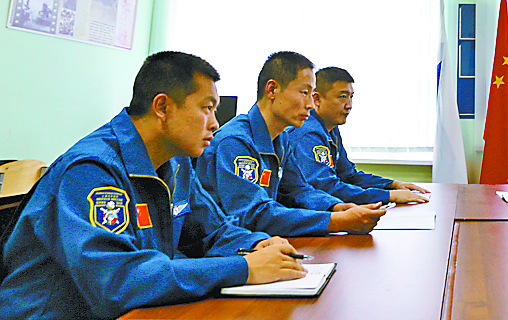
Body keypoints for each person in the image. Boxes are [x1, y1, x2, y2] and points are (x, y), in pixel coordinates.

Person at [0, 51, 307, 320]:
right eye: (207, 108)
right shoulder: (92, 170)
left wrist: (257, 244)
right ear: (163, 107)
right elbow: (117, 281)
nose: (215, 123)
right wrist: (245, 268)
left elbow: (212, 231)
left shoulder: (176, 161)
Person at [197, 51, 386, 236]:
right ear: (272, 90)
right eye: (304, 93)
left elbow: (297, 190)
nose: (310, 104)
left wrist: (335, 207)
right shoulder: (234, 142)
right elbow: (252, 215)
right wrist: (335, 221)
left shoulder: (280, 139)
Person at [281, 66, 430, 206]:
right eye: (342, 97)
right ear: (317, 99)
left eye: (351, 97)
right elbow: (327, 188)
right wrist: (388, 196)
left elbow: (348, 175)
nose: (349, 105)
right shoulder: (307, 134)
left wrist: (393, 184)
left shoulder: (330, 128)